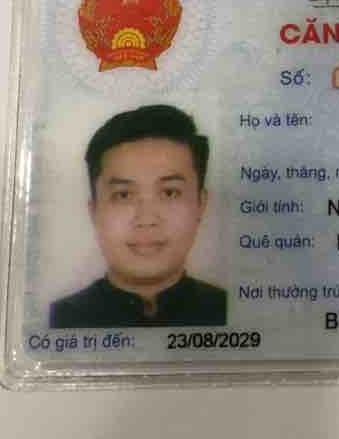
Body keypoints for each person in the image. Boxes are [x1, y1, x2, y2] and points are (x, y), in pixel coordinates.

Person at [49, 104, 227, 327]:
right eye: (123, 195)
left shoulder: (229, 312)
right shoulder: (58, 321)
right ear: (94, 211)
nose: (147, 220)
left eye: (169, 193)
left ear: (201, 204)